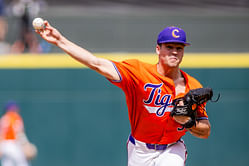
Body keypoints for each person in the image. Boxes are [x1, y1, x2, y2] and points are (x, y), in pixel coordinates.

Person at [36, 21, 211, 166]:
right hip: (140, 150)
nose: (174, 51)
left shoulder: (192, 86)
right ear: (158, 49)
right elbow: (96, 63)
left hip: (172, 148)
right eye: (169, 46)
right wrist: (60, 41)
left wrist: (189, 122)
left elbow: (205, 131)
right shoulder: (138, 72)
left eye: (179, 48)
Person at [0, 101, 37, 166]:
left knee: (7, 163)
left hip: (4, 146)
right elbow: (19, 133)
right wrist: (25, 144)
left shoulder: (3, 119)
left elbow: (1, 135)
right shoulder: (15, 117)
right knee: (22, 163)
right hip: (13, 144)